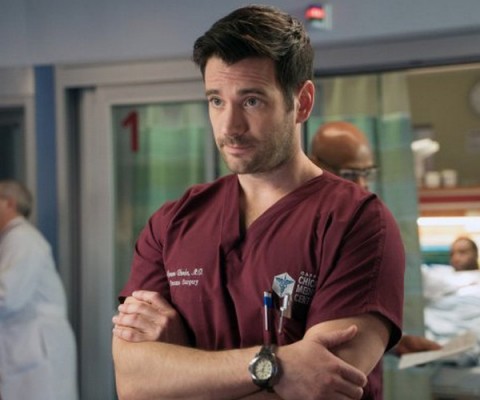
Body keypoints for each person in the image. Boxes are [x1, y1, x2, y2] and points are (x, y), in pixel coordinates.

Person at [112, 5, 405, 400]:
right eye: (216, 101)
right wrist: (274, 366)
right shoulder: (172, 223)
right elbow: (134, 384)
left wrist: (181, 363)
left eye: (252, 101)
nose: (230, 126)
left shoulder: (355, 222)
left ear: (302, 102)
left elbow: (321, 389)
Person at [309, 121, 442, 358]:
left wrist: (393, 343)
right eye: (350, 174)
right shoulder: (306, 229)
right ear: (315, 163)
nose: (362, 185)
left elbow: (352, 311)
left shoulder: (363, 225)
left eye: (366, 173)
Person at [0, 180, 78, 400]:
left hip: (38, 347)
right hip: (27, 346)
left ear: (10, 203)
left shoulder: (21, 239)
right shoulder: (13, 239)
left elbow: (7, 297)